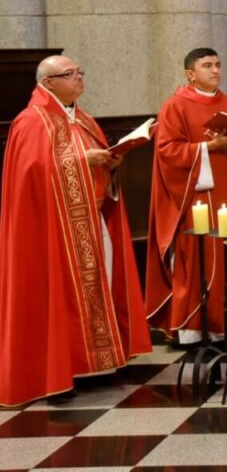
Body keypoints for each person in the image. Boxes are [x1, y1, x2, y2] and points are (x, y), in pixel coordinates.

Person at [0, 56, 151, 405]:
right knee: (61, 297)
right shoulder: (31, 122)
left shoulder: (82, 119)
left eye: (81, 72)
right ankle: (63, 369)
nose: (80, 79)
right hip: (52, 233)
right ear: (48, 82)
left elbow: (90, 163)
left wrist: (111, 166)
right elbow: (33, 175)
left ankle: (97, 364)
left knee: (101, 285)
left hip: (91, 220)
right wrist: (85, 161)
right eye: (71, 74)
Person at [146, 48, 227, 343]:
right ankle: (197, 329)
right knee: (200, 258)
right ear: (190, 74)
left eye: (218, 65)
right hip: (198, 197)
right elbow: (167, 152)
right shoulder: (175, 106)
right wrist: (208, 148)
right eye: (207, 66)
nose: (215, 71)